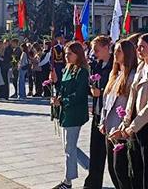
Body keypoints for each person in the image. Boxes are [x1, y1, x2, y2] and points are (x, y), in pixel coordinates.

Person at [116, 33, 148, 189]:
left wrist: (134, 125)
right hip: (135, 124)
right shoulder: (140, 67)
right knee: (136, 169)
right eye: (137, 46)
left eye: (142, 46)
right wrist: (126, 121)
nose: (138, 49)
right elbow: (131, 98)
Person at [100, 40, 139, 189]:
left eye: (118, 51)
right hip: (109, 127)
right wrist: (103, 121)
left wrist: (125, 124)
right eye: (114, 51)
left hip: (121, 128)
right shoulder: (115, 74)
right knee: (112, 168)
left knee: (121, 169)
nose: (115, 54)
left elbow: (130, 104)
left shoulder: (132, 76)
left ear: (127, 54)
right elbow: (107, 101)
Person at [52, 41, 90, 189]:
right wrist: (55, 84)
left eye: (69, 54)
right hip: (65, 113)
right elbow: (63, 88)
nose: (66, 56)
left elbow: (80, 94)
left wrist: (62, 101)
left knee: (69, 148)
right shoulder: (68, 69)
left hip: (74, 113)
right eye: (66, 53)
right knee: (69, 146)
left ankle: (68, 181)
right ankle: (90, 166)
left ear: (78, 54)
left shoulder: (82, 71)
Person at [83, 36, 113, 189]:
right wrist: (92, 91)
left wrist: (100, 92)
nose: (94, 53)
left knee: (113, 154)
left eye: (97, 49)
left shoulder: (115, 65)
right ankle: (93, 183)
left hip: (111, 114)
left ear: (107, 47)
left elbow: (115, 89)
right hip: (97, 112)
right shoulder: (96, 65)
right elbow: (91, 85)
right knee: (95, 150)